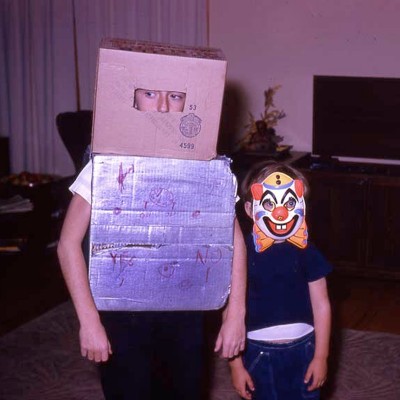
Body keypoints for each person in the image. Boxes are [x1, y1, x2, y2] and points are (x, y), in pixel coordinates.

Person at [57, 88, 247, 400]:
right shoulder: (105, 164)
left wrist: (235, 313)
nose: (161, 106)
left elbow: (233, 238)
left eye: (174, 96)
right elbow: (67, 244)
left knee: (185, 389)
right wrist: (88, 321)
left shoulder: (206, 163)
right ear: (132, 99)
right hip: (121, 313)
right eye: (149, 93)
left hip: (186, 309)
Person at [229, 161, 332, 400]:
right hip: (257, 353)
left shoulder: (307, 251)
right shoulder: (240, 254)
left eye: (289, 203)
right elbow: (231, 314)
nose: (280, 212)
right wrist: (235, 366)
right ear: (248, 209)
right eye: (268, 203)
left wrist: (321, 356)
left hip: (304, 349)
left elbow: (322, 304)